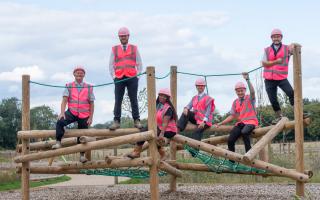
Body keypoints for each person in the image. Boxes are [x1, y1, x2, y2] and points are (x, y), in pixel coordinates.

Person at [52, 66, 95, 163]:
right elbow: (64, 100)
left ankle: (82, 155)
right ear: (74, 74)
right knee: (60, 122)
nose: (79, 74)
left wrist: (91, 117)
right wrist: (62, 113)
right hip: (72, 111)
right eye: (77, 72)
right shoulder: (69, 85)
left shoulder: (89, 87)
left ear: (84, 75)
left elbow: (92, 103)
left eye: (81, 73)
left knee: (82, 134)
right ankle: (58, 142)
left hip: (84, 114)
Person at [127, 88, 177, 160]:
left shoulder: (168, 108)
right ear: (158, 95)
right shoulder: (158, 106)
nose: (162, 97)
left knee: (150, 134)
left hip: (168, 130)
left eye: (164, 96)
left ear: (167, 98)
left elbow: (165, 123)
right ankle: (161, 153)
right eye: (160, 95)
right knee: (147, 132)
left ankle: (138, 152)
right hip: (159, 128)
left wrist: (161, 134)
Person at [215, 72, 258, 156]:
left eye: (242, 91)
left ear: (245, 90)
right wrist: (221, 123)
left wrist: (247, 80)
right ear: (236, 92)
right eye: (238, 91)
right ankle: (232, 161)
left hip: (251, 122)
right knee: (230, 139)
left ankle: (248, 156)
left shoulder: (250, 98)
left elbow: (253, 92)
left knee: (244, 132)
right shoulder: (235, 102)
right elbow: (232, 116)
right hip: (242, 123)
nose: (240, 93)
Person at [109, 27, 143, 130]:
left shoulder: (134, 48)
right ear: (119, 37)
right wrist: (114, 77)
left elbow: (140, 63)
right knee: (118, 99)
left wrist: (137, 76)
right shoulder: (114, 49)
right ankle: (116, 121)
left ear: (128, 36)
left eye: (125, 36)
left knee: (133, 99)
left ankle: (136, 120)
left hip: (132, 77)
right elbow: (111, 64)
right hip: (119, 77)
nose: (123, 37)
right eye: (121, 36)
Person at [261, 28, 296, 124]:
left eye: (278, 36)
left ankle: (297, 112)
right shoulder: (267, 50)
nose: (276, 38)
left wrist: (294, 45)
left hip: (281, 77)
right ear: (271, 38)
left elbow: (295, 49)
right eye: (274, 37)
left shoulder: (286, 48)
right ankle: (279, 117)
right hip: (269, 78)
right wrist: (276, 61)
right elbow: (264, 63)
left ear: (281, 37)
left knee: (291, 93)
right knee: (273, 99)